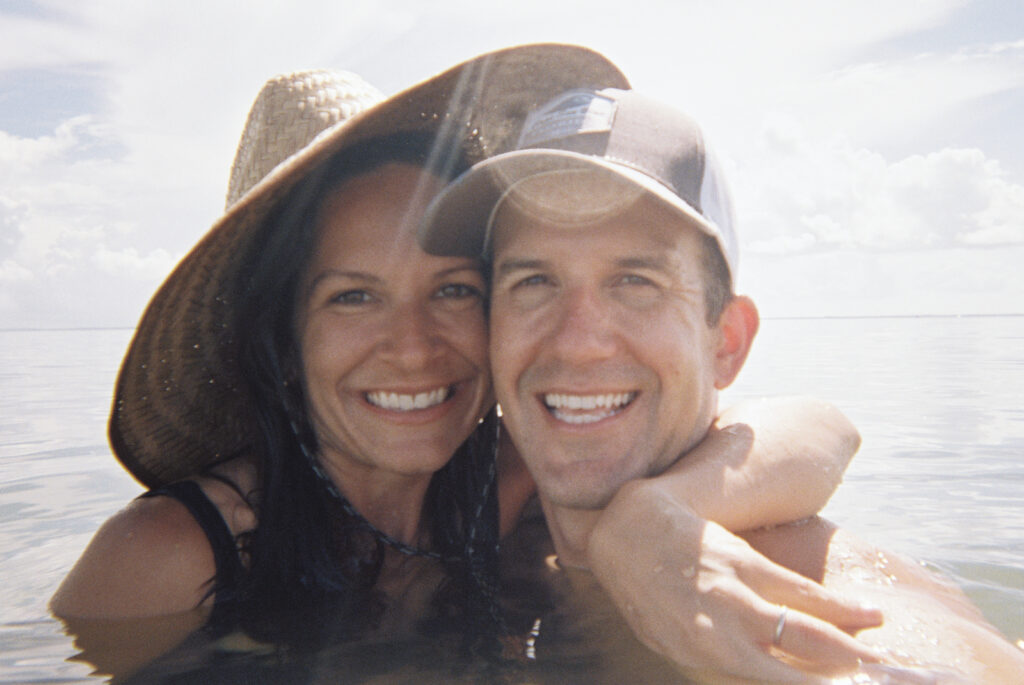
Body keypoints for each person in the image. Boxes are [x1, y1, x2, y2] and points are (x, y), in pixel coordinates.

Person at [52, 46, 875, 680]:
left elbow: (822, 427)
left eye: (450, 290)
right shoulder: (167, 556)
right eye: (353, 297)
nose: (412, 347)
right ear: (282, 332)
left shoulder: (511, 477)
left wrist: (649, 522)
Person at [419, 84, 1024, 682]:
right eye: (533, 282)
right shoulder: (499, 536)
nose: (578, 341)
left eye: (636, 282)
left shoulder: (802, 605)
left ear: (726, 343)